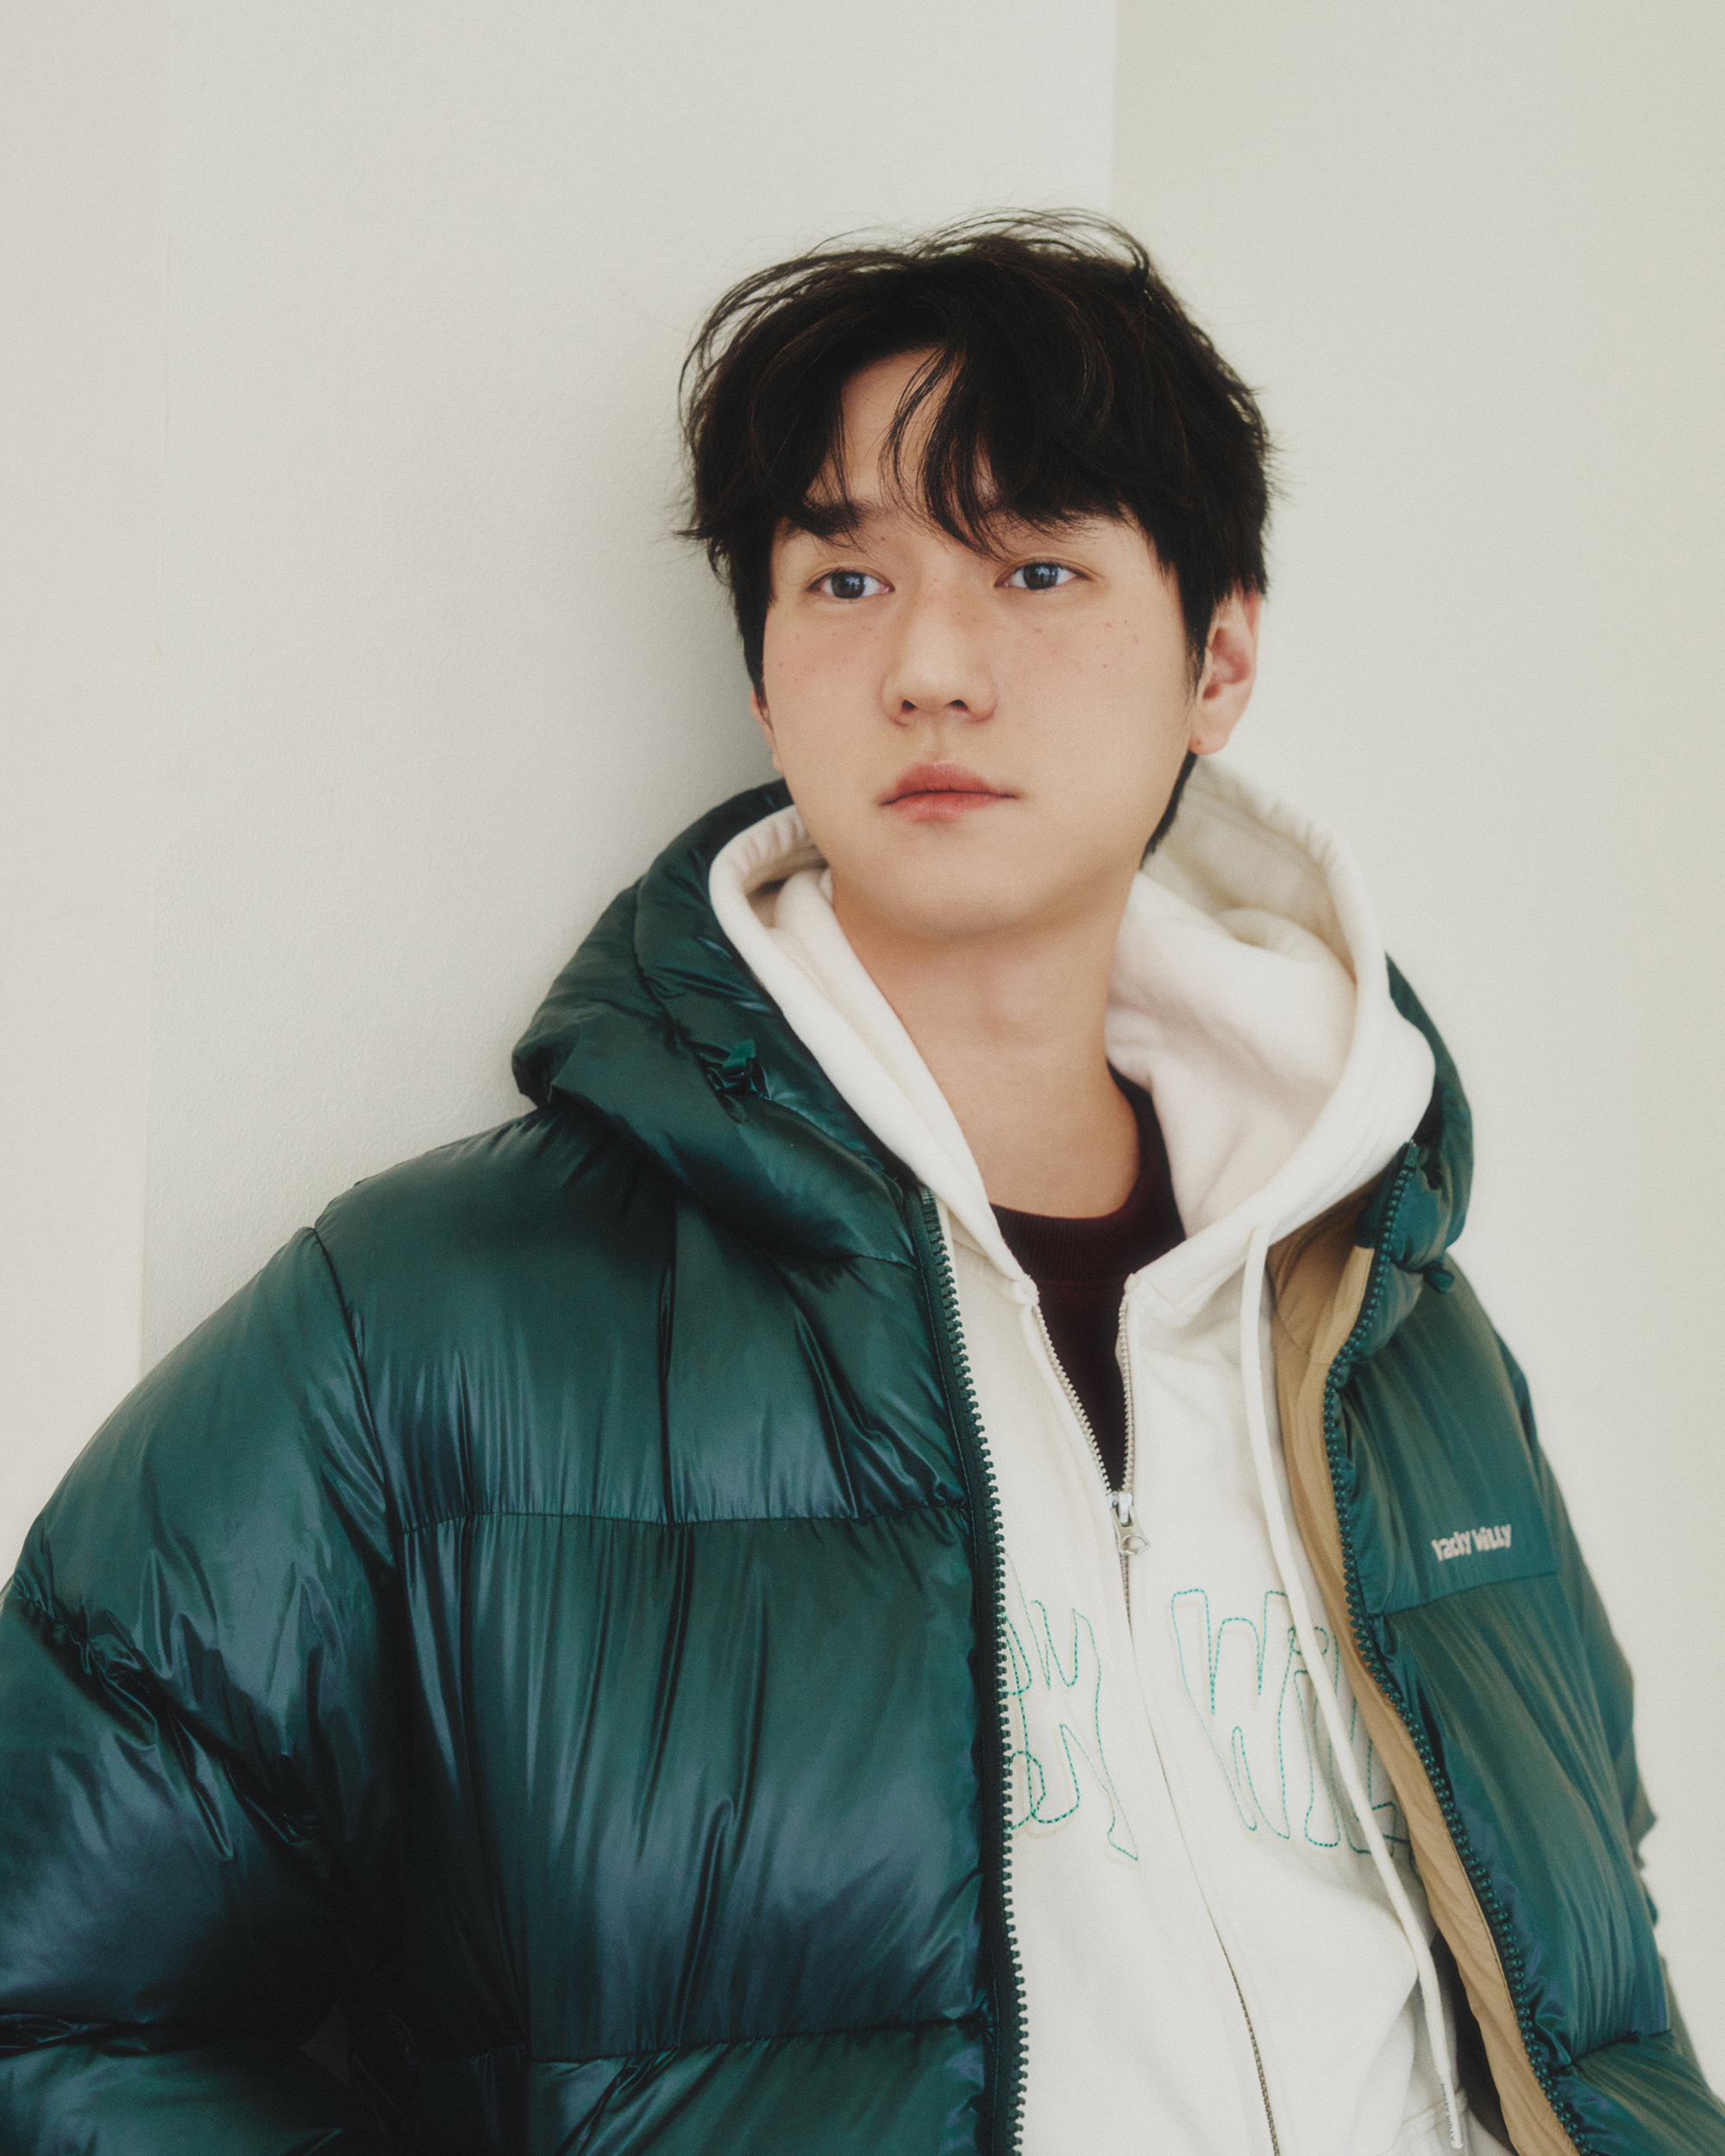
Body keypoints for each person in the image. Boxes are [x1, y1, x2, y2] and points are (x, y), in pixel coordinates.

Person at [0, 214, 1716, 2156]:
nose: (929, 667)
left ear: (1219, 656)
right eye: (844, 577)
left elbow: (1585, 1993)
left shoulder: (1384, 1313)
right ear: (763, 673)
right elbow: (57, 2007)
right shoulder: (422, 1327)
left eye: (1037, 567)